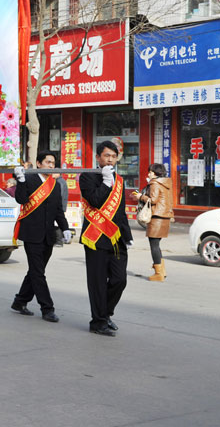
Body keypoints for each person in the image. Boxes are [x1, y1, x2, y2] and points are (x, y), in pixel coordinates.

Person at [79, 141, 133, 337]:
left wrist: (127, 236)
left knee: (120, 280)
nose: (110, 159)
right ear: (98, 157)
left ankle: (105, 313)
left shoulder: (119, 180)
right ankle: (98, 322)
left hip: (116, 237)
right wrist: (106, 182)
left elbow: (121, 211)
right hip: (95, 237)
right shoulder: (87, 176)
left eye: (113, 156)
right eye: (106, 155)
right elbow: (95, 201)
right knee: (98, 282)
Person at [11, 152, 70, 323]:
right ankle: (47, 308)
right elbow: (21, 199)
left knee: (36, 271)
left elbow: (58, 210)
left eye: (53, 163)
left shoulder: (55, 185)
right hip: (31, 234)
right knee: (38, 273)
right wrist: (21, 181)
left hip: (48, 235)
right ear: (38, 163)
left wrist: (65, 228)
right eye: (47, 162)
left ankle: (20, 301)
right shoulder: (29, 180)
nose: (51, 166)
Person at [136, 163, 174, 282]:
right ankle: (162, 271)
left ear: (156, 173)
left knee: (154, 245)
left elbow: (153, 200)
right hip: (165, 216)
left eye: (150, 172)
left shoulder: (155, 183)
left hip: (157, 217)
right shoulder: (166, 182)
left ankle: (158, 274)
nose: (148, 174)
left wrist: (140, 196)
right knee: (156, 245)